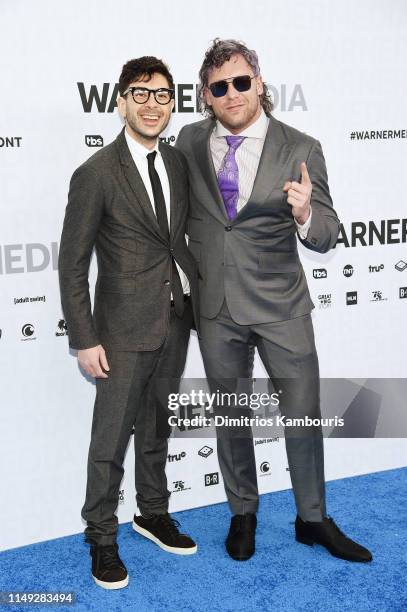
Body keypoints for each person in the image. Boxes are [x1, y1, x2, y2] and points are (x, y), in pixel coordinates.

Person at [176, 39, 372, 563]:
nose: (233, 93)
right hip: (216, 308)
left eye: (242, 82)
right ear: (207, 96)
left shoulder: (300, 146)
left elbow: (329, 233)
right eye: (220, 87)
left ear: (259, 83)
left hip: (282, 306)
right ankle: (243, 511)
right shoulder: (190, 142)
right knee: (233, 415)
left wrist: (307, 214)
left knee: (303, 415)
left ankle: (312, 518)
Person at [59, 56, 200, 590]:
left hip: (174, 319)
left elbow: (177, 238)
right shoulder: (94, 174)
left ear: (172, 104)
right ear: (120, 102)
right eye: (140, 94)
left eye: (161, 95)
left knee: (157, 428)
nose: (151, 105)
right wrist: (85, 337)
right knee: (110, 439)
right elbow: (72, 263)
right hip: (118, 329)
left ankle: (153, 512)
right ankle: (100, 535)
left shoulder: (178, 163)